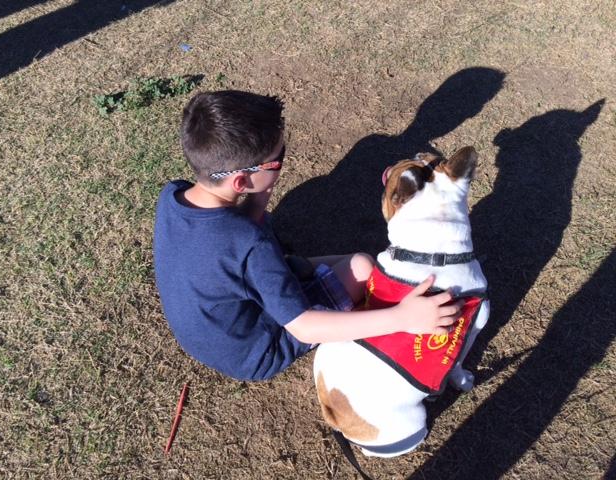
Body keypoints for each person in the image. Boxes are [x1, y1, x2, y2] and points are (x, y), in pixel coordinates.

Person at [153, 90, 462, 381]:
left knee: (342, 265)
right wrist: (402, 318)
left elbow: (227, 250)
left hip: (215, 333)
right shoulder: (250, 244)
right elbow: (304, 327)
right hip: (258, 352)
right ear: (240, 181)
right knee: (363, 267)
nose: (283, 162)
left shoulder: (173, 195)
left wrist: (258, 198)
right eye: (278, 159)